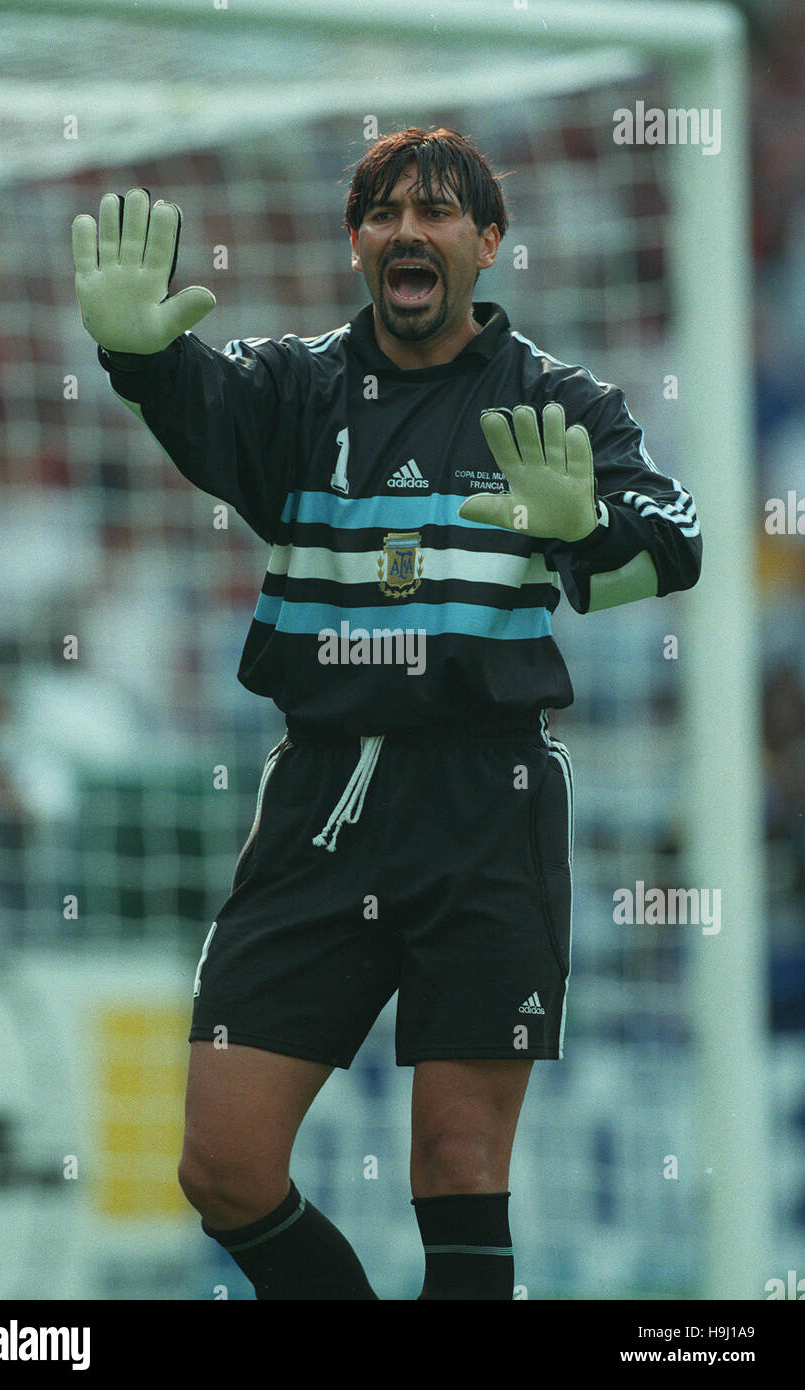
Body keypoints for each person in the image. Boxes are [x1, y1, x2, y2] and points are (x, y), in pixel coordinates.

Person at [72, 127, 702, 1300]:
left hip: (486, 798)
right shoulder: (294, 389)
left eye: (438, 211)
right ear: (355, 241)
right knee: (222, 1165)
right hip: (323, 795)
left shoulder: (557, 401)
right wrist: (134, 357)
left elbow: (677, 547)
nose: (409, 229)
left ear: (488, 242)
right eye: (383, 212)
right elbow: (190, 387)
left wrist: (579, 529)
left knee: (456, 1165)